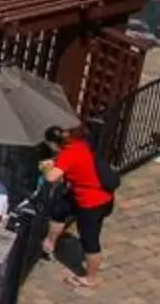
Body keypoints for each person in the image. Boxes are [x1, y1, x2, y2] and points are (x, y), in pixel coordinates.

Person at [39, 123, 114, 288]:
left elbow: (51, 177)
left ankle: (90, 278)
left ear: (53, 144)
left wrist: (45, 168)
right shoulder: (79, 144)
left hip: (92, 202)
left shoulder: (67, 155)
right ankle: (49, 243)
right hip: (96, 195)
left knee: (89, 240)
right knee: (60, 209)